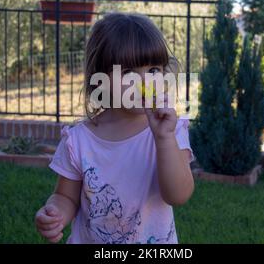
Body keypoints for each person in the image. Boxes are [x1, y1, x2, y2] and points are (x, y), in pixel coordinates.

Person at [35, 12, 195, 244]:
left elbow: (178, 195)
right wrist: (55, 213)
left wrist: (164, 138)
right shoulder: (79, 140)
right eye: (128, 72)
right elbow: (65, 196)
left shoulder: (171, 130)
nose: (144, 82)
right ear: (100, 81)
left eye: (153, 71)